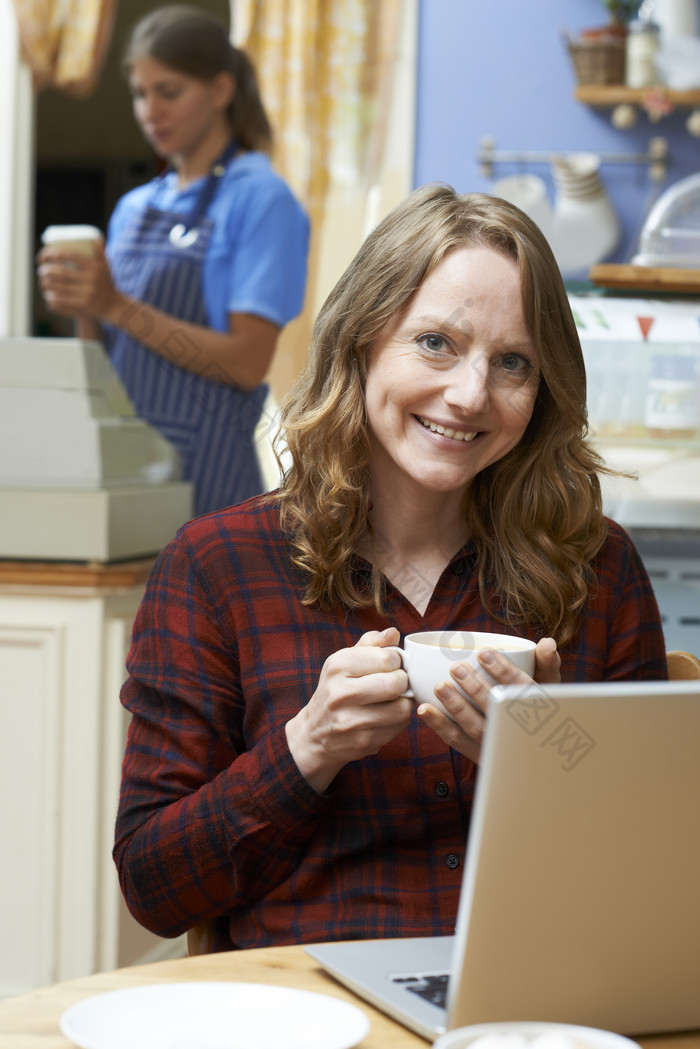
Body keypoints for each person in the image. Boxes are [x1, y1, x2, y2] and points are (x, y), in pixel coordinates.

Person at [113, 183, 667, 952]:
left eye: (512, 362)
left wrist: (549, 762)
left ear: (542, 393)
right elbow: (153, 887)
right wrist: (308, 745)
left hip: (526, 1000)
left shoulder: (600, 566)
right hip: (302, 1008)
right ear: (361, 340)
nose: (471, 394)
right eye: (437, 342)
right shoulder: (216, 566)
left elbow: (662, 866)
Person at [37, 5, 309, 516]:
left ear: (221, 91)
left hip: (209, 476)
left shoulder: (262, 200)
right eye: (140, 94)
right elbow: (107, 356)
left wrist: (115, 305)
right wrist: (85, 308)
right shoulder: (134, 208)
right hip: (125, 469)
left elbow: (247, 363)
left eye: (169, 92)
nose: (149, 113)